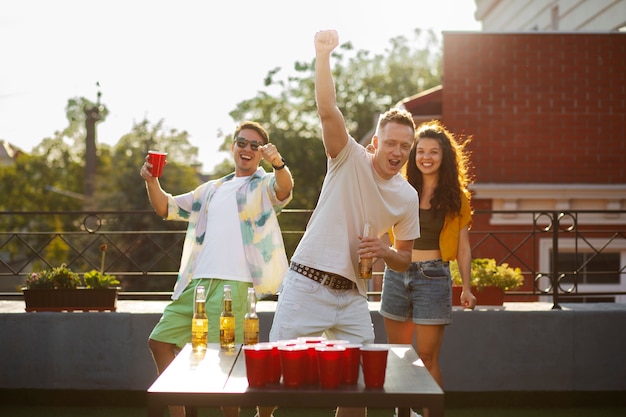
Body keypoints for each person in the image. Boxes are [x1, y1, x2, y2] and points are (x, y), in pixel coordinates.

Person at [269, 30, 420, 417]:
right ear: (375, 144)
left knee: (359, 393)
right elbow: (327, 110)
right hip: (306, 285)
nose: (398, 152)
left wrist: (386, 251)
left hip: (353, 296)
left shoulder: (407, 196)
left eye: (405, 146)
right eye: (391, 143)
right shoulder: (347, 158)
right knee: (272, 384)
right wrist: (323, 55)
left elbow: (404, 259)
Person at [140, 120, 293, 417]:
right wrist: (151, 180)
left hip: (235, 288)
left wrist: (278, 163)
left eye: (254, 145)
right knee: (159, 341)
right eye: (241, 142)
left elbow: (284, 188)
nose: (246, 148)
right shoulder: (211, 189)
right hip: (196, 286)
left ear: (261, 153)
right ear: (232, 146)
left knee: (226, 367)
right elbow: (166, 207)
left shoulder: (262, 185)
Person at [380, 120, 477, 394]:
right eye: (420, 151)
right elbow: (377, 220)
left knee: (427, 357)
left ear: (444, 155)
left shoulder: (457, 197)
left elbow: (463, 246)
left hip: (433, 278)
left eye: (433, 151)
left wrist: (466, 287)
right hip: (396, 274)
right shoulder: (398, 187)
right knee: (398, 357)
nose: (426, 157)